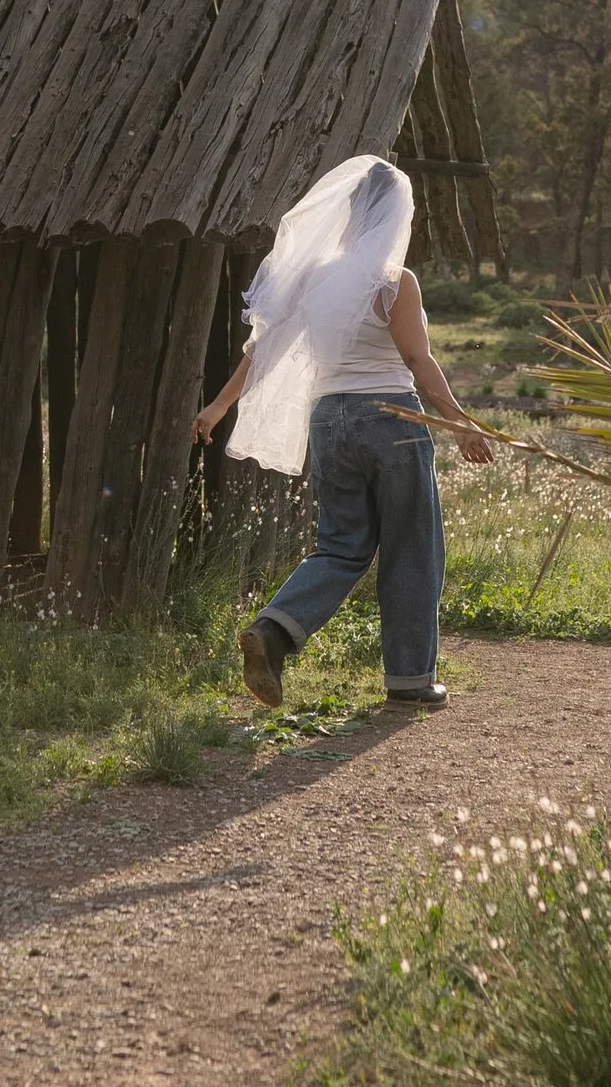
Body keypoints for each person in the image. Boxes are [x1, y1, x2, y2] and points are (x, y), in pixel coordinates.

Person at [191, 154, 494, 711]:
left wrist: (215, 408)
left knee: (339, 545)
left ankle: (275, 632)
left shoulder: (312, 278)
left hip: (329, 421)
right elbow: (417, 360)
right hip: (392, 422)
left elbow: (262, 353)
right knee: (412, 547)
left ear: (350, 215)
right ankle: (410, 680)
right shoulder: (394, 283)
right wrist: (461, 423)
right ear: (396, 216)